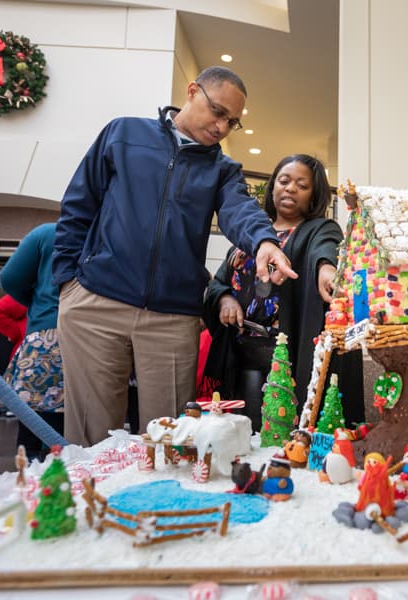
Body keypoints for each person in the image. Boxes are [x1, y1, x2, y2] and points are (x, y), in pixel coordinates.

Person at [53, 66, 296, 447]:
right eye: (218, 112)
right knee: (91, 441)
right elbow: (78, 207)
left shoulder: (223, 169)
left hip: (172, 317)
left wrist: (264, 241)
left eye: (232, 123)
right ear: (192, 91)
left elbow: (238, 210)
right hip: (95, 303)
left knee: (170, 442)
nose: (222, 127)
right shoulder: (124, 135)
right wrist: (68, 283)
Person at [203, 154, 364, 431]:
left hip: (287, 356)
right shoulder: (251, 235)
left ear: (315, 195)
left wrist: (326, 269)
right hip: (241, 354)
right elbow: (219, 282)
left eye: (302, 185)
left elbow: (326, 249)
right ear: (273, 186)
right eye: (284, 181)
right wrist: (225, 299)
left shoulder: (319, 229)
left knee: (284, 433)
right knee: (242, 430)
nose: (290, 188)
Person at [0, 222, 65, 459]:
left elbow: (9, 278)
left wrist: (39, 305)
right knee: (82, 431)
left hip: (45, 337)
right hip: (97, 336)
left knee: (33, 423)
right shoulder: (109, 232)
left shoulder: (47, 232)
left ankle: (32, 484)